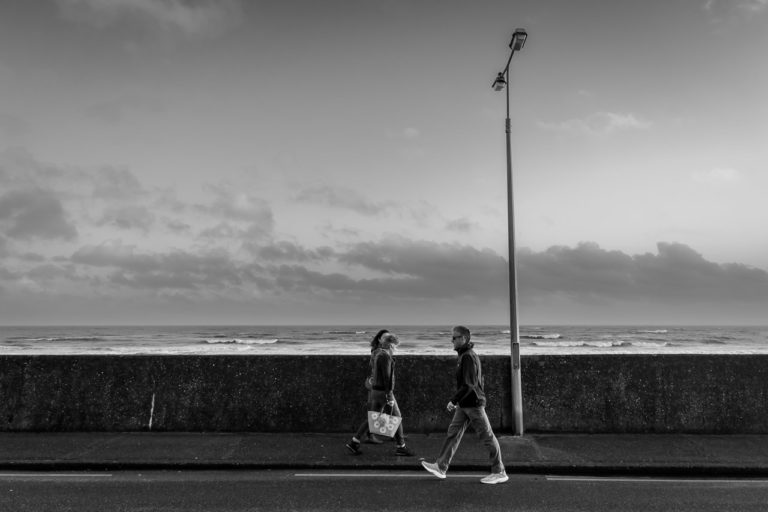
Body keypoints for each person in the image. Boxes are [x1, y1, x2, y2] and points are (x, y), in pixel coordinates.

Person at [421, 325, 508, 484]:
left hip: (473, 404)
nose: (451, 340)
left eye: (454, 337)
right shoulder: (465, 355)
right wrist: (458, 401)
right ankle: (441, 466)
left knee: (487, 436)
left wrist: (453, 400)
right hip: (465, 403)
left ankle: (499, 471)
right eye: (452, 337)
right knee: (453, 433)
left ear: (463, 339)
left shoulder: (467, 356)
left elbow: (469, 384)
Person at [346, 331, 414, 456]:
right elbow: (387, 377)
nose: (396, 348)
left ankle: (354, 442)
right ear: (390, 345)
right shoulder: (385, 356)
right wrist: (389, 396)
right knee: (397, 417)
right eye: (395, 345)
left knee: (372, 418)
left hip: (375, 391)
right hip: (383, 392)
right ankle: (401, 446)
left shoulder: (377, 353)